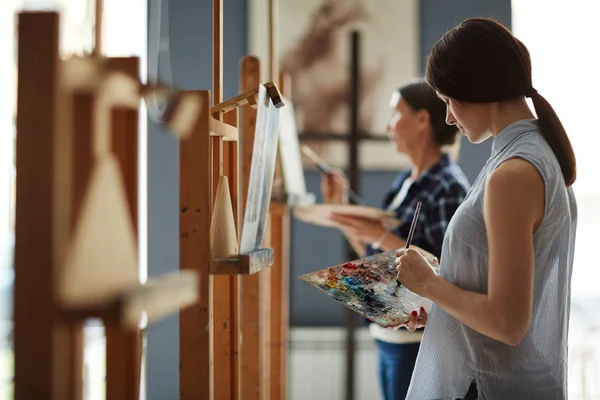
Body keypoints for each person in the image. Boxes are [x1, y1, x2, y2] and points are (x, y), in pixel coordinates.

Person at [395, 18, 578, 399]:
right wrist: (439, 302)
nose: (448, 118)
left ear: (473, 88)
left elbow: (509, 322)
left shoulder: (514, 173)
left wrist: (430, 284)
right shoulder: (531, 156)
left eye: (447, 100)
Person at [321, 79, 470, 400]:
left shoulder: (448, 186)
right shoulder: (405, 180)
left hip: (421, 341)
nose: (388, 124)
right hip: (390, 336)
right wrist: (342, 211)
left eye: (395, 114)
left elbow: (447, 269)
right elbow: (376, 253)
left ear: (421, 120)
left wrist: (378, 233)